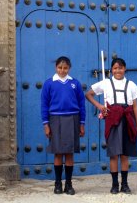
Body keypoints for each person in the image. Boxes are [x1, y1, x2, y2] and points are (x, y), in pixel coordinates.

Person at [86, 57, 137, 194]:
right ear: (111, 70)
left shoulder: (131, 85)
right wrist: (99, 106)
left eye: (121, 68)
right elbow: (88, 94)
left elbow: (135, 107)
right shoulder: (106, 83)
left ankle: (125, 184)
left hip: (128, 120)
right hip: (113, 121)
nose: (118, 70)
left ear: (125, 69)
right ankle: (115, 184)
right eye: (115, 68)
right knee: (114, 154)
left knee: (125, 154)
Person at [41, 56, 86, 195]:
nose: (62, 70)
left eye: (65, 68)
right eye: (60, 67)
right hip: (56, 120)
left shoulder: (75, 83)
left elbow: (81, 104)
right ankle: (58, 183)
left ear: (69, 68)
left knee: (69, 153)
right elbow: (44, 105)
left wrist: (81, 123)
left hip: (73, 118)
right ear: (56, 67)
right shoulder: (49, 83)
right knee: (58, 153)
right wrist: (46, 124)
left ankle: (69, 184)